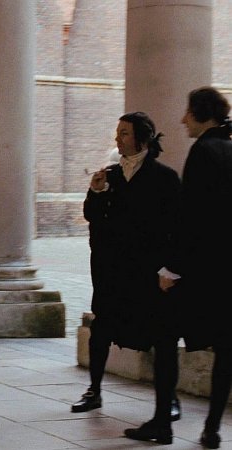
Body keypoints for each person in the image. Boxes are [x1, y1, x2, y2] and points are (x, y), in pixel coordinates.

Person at [71, 112, 182, 445]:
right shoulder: (112, 175)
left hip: (148, 270)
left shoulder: (164, 177)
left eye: (124, 133)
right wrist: (96, 192)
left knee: (160, 336)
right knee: (102, 327)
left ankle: (168, 400)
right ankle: (94, 390)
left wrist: (169, 267)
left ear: (141, 139)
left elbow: (176, 225)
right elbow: (92, 216)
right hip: (113, 269)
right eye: (117, 133)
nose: (117, 139)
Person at [161, 87, 232, 449]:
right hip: (227, 271)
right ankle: (212, 427)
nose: (182, 119)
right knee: (226, 352)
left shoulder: (203, 151)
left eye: (187, 113)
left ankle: (162, 419)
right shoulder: (229, 148)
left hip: (202, 272)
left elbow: (191, 217)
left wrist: (172, 269)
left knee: (164, 334)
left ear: (201, 114)